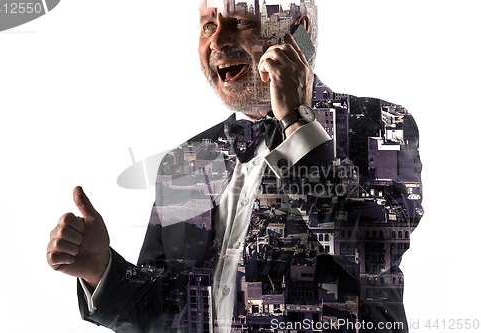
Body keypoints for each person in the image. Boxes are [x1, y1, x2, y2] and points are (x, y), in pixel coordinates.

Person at [47, 1, 423, 332]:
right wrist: (101, 271)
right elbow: (169, 314)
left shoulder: (377, 122)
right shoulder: (185, 162)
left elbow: (375, 251)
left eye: (240, 21)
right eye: (208, 25)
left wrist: (296, 121)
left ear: (298, 32)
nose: (217, 41)